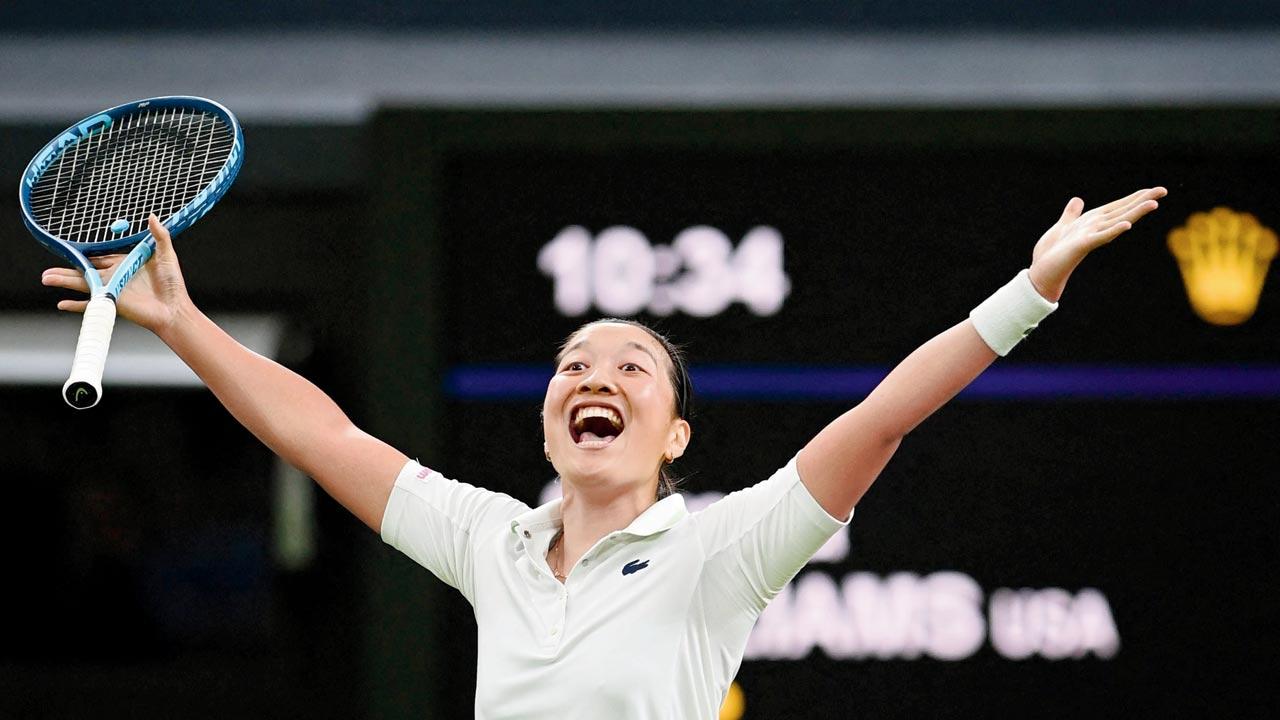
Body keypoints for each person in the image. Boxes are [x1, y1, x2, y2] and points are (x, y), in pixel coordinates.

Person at [40, 186, 1166, 719]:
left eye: (630, 367)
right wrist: (184, 326)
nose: (591, 377)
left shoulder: (723, 550)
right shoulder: (490, 540)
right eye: (573, 363)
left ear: (673, 433)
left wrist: (1031, 289)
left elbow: (879, 418)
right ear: (546, 418)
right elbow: (319, 431)